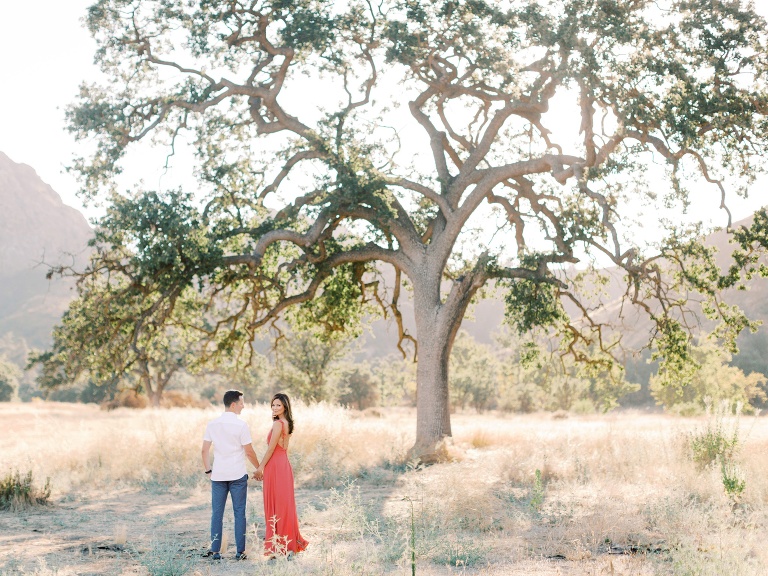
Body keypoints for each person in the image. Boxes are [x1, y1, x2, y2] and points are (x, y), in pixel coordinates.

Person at [201, 389, 260, 561]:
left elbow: (204, 450)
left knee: (216, 513)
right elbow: (249, 452)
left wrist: (208, 470)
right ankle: (240, 552)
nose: (243, 406)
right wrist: (259, 468)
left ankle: (215, 551)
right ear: (233, 404)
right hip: (237, 475)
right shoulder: (241, 425)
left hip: (218, 475)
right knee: (239, 513)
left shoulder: (212, 424)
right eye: (241, 403)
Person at [253, 392, 309, 557]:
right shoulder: (288, 423)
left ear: (285, 406)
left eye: (278, 405)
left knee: (276, 506)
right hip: (284, 465)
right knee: (285, 505)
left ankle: (279, 546)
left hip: (275, 466)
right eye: (273, 405)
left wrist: (260, 468)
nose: (275, 407)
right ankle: (288, 544)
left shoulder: (278, 424)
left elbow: (271, 449)